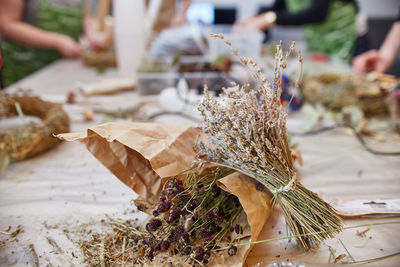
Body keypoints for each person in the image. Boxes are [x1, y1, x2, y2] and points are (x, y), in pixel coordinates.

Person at [0, 0, 106, 86]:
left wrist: (90, 33)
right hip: (24, 73)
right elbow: (6, 24)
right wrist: (57, 41)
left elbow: (86, 16)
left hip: (65, 69)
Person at [234, 0, 362, 62]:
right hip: (317, 39)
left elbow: (318, 13)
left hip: (344, 37)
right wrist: (254, 17)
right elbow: (278, 7)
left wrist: (268, 19)